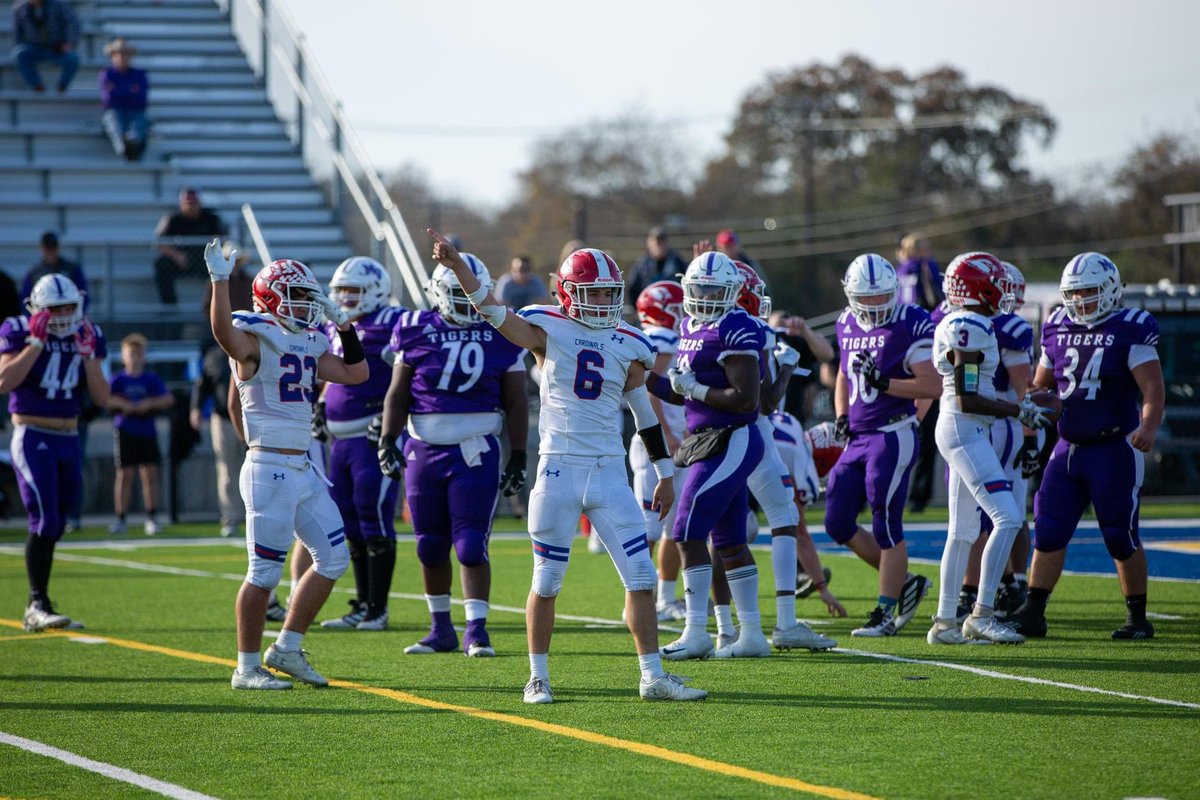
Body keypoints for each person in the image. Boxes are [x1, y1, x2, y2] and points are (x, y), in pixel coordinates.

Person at [418, 228, 705, 704]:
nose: (603, 302)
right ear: (568, 293)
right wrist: (459, 267)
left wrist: (664, 472)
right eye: (593, 293)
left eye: (609, 293)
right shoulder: (546, 328)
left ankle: (652, 676)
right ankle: (537, 677)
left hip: (609, 470)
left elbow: (645, 416)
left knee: (641, 577)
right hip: (558, 469)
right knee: (546, 582)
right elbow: (491, 310)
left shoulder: (628, 341)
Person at [204, 238, 367, 690]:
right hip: (270, 468)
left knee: (333, 558)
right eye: (296, 295)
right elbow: (223, 334)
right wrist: (220, 282)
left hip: (302, 469)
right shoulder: (255, 335)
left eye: (308, 296)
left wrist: (344, 326)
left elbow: (356, 373)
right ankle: (246, 667)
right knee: (264, 573)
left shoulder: (310, 340)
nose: (305, 305)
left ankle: (288, 648)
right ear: (272, 297)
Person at [1008, 253, 1165, 641]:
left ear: (1109, 289)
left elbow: (1152, 387)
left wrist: (1148, 426)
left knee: (1119, 532)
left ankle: (1137, 616)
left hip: (1114, 447)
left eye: (1089, 291)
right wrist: (1035, 403)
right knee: (1049, 527)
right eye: (1075, 293)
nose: (1081, 300)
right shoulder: (1057, 324)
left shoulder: (1130, 327)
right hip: (1068, 446)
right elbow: (1041, 385)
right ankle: (1034, 610)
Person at [377, 254, 527, 655]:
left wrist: (518, 454)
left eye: (470, 293)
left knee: (471, 544)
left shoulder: (501, 331)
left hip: (475, 449)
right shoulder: (414, 327)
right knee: (429, 544)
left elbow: (516, 401)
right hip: (423, 449)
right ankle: (440, 629)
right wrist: (388, 438)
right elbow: (398, 393)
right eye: (457, 293)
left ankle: (476, 630)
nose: (465, 302)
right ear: (438, 293)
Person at [926, 252, 1053, 645]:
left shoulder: (966, 322)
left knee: (962, 530)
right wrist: (1019, 410)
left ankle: (944, 623)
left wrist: (1016, 409)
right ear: (978, 288)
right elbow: (967, 398)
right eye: (997, 283)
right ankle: (980, 615)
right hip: (964, 428)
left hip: (963, 428)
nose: (1003, 290)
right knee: (1008, 517)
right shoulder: (968, 325)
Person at [650, 252, 770, 661]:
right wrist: (642, 376)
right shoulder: (689, 325)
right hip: (708, 440)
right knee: (730, 541)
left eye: (715, 290)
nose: (705, 296)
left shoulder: (736, 326)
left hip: (733, 438)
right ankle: (751, 635)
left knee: (685, 530)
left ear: (732, 292)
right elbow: (679, 393)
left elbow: (747, 399)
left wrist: (694, 389)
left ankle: (696, 631)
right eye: (699, 288)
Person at [824, 254, 940, 637]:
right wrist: (842, 413)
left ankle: (885, 613)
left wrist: (887, 386)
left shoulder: (910, 321)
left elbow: (932, 384)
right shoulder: (845, 322)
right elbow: (844, 374)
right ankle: (905, 582)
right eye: (866, 297)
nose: (875, 303)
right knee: (836, 519)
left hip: (892, 433)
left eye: (881, 296)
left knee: (886, 522)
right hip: (858, 436)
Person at [0, 274, 108, 631]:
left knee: (59, 520)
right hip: (33, 434)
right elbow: (4, 381)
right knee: (44, 517)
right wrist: (35, 343)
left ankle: (38, 603)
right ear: (36, 308)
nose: (62, 315)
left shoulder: (87, 333)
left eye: (67, 308)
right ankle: (37, 603)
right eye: (54, 309)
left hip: (69, 436)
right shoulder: (17, 329)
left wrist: (89, 356)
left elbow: (102, 397)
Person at [313, 257, 402, 631]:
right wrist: (321, 404)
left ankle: (378, 609)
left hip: (371, 437)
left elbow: (411, 374)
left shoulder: (394, 321)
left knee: (373, 514)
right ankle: (363, 603)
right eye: (341, 291)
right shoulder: (336, 326)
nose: (346, 298)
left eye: (354, 291)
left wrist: (392, 419)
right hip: (341, 441)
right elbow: (337, 373)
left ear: (376, 291)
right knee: (348, 520)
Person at [630, 280, 688, 620]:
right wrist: (666, 433)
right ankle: (638, 599)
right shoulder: (660, 337)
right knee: (650, 528)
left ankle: (664, 598)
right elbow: (650, 390)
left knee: (673, 527)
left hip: (674, 441)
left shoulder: (664, 337)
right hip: (658, 443)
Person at [106, 333, 173, 536]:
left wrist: (148, 404)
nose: (134, 358)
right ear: (123, 356)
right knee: (124, 474)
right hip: (125, 430)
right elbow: (104, 398)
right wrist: (124, 405)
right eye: (131, 354)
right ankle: (120, 518)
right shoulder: (118, 380)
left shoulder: (151, 379)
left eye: (138, 354)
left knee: (149, 473)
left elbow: (168, 399)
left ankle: (152, 517)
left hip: (147, 430)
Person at [190, 343, 245, 537]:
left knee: (258, 468)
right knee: (227, 470)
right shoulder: (213, 356)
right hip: (223, 419)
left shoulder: (250, 348)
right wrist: (196, 408)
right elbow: (202, 385)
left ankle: (260, 515)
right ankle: (231, 518)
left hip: (251, 417)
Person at [155, 188, 228, 305]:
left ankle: (217, 306)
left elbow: (223, 239)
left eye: (193, 203)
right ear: (181, 204)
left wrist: (213, 255)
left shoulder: (211, 218)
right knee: (161, 264)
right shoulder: (173, 219)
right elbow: (160, 241)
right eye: (187, 204)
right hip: (182, 259)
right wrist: (177, 256)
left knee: (224, 266)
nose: (190, 207)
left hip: (206, 261)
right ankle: (169, 307)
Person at [12, 0, 80, 94]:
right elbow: (17, 35)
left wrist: (70, 43)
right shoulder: (20, 8)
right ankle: (38, 88)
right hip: (34, 48)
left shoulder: (59, 5)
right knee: (19, 54)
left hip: (57, 48)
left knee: (73, 58)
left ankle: (61, 89)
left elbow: (74, 24)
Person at [98, 39, 149, 162]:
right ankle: (125, 147)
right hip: (116, 111)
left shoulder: (139, 74)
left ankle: (132, 142)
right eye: (118, 53)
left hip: (135, 112)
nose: (121, 57)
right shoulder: (107, 74)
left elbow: (141, 99)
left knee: (140, 122)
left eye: (125, 53)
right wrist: (130, 91)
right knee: (113, 122)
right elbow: (109, 99)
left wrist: (118, 90)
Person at [23, 232, 88, 308]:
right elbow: (26, 298)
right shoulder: (34, 273)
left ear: (58, 247)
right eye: (48, 248)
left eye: (53, 247)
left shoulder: (72, 269)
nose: (51, 251)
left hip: (68, 312)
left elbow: (83, 294)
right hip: (44, 312)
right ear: (42, 248)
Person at [626, 227, 688, 304]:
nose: (658, 245)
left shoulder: (678, 263)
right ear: (648, 243)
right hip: (649, 307)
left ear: (667, 243)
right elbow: (632, 289)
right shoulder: (641, 265)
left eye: (661, 242)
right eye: (655, 242)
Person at [201, 241, 254, 315]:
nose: (233, 264)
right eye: (228, 260)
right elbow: (207, 308)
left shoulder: (249, 281)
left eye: (236, 261)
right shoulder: (215, 283)